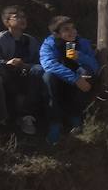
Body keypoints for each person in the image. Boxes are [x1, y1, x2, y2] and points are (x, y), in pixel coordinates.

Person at [39, 15, 100, 145]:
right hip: (60, 81)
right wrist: (75, 79)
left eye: (73, 28)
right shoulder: (49, 44)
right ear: (57, 33)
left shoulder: (82, 43)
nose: (72, 32)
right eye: (66, 29)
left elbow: (95, 66)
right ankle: (55, 125)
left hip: (80, 83)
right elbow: (49, 65)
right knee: (47, 76)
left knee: (86, 72)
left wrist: (80, 57)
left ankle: (76, 118)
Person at [0, 6, 46, 136]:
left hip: (27, 73)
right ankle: (7, 121)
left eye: (23, 17)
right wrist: (7, 62)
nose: (22, 19)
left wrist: (26, 66)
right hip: (6, 74)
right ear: (7, 21)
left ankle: (26, 116)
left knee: (38, 70)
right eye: (17, 17)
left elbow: (40, 60)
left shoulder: (30, 40)